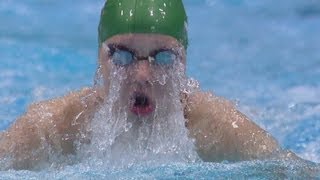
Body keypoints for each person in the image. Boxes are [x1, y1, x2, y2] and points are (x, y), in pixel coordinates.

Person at [0, 0, 282, 170]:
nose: (143, 74)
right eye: (122, 55)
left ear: (183, 62)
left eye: (163, 57)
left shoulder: (216, 128)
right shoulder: (56, 127)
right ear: (100, 59)